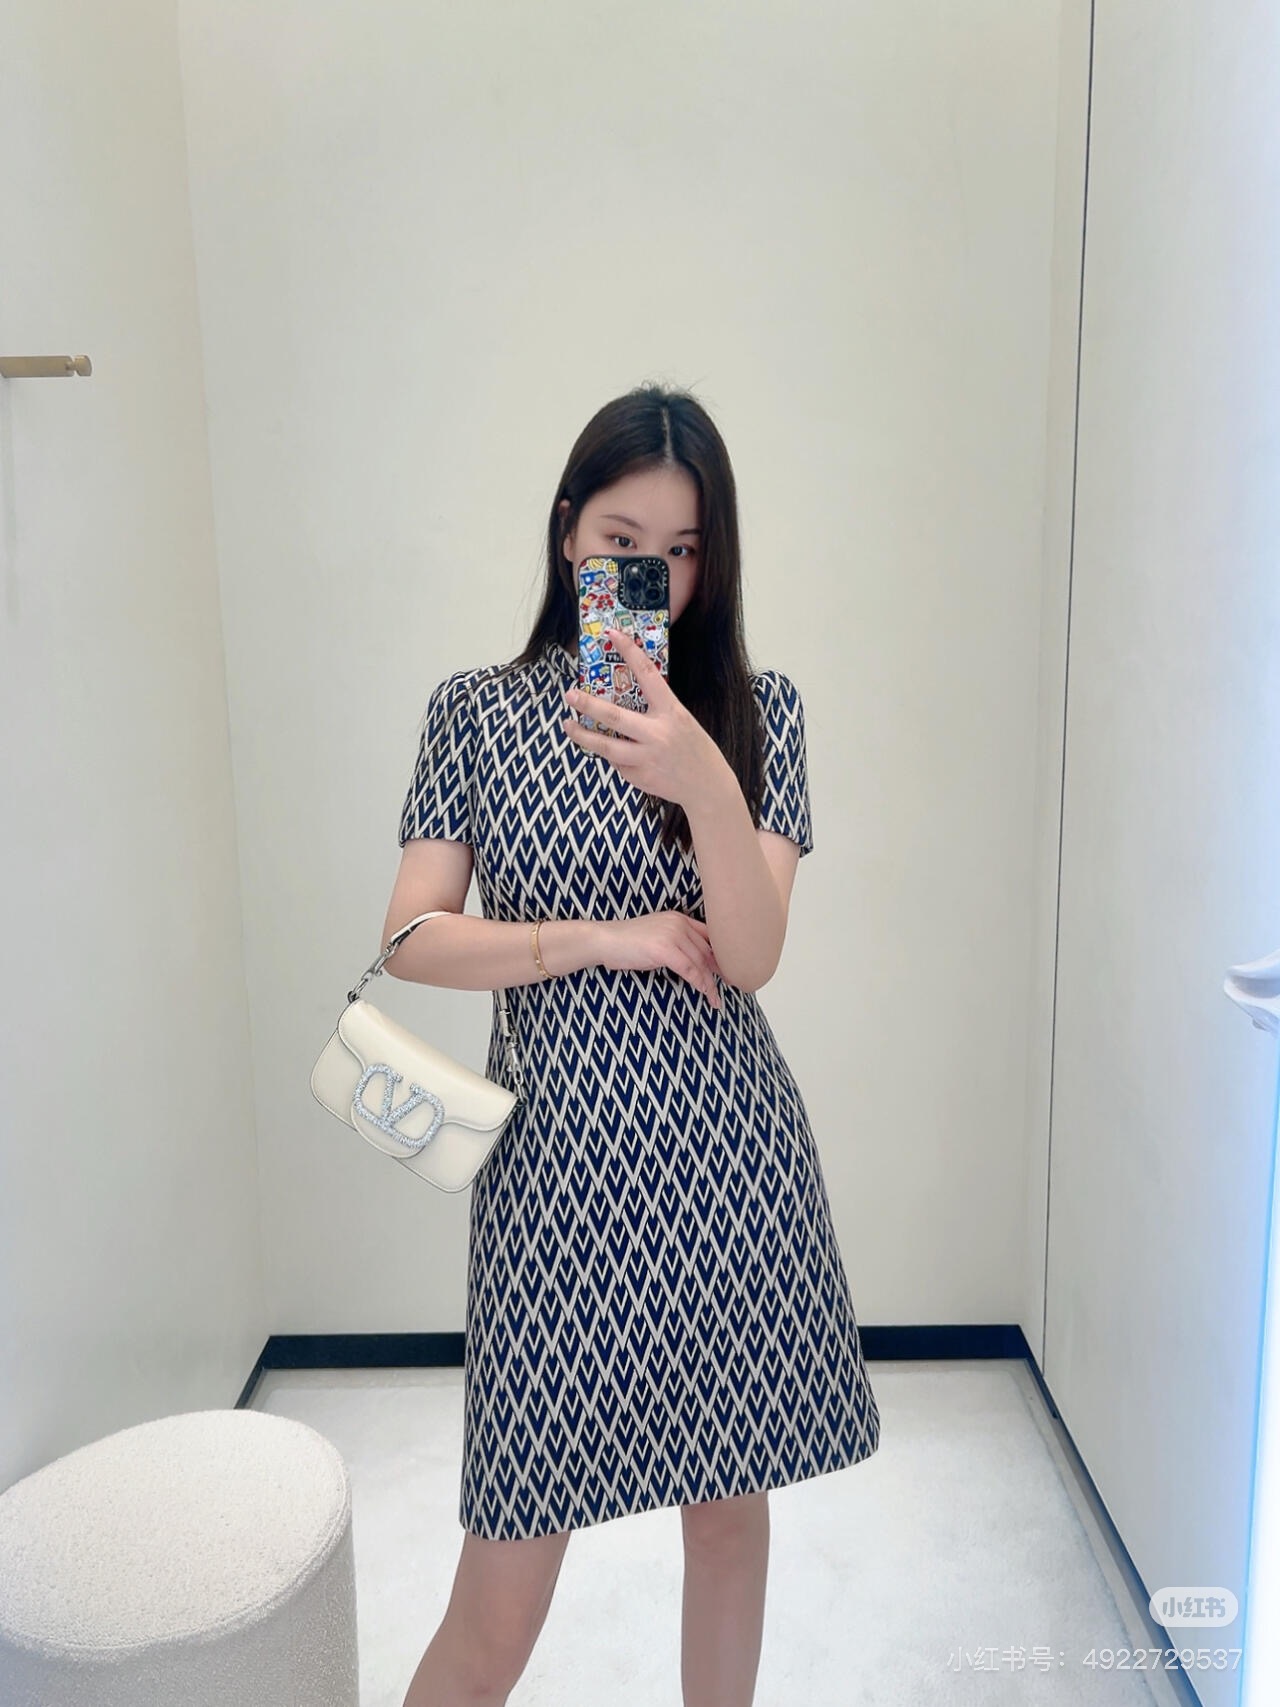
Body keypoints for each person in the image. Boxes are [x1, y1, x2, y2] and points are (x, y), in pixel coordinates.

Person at [384, 383, 880, 1707]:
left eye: (681, 551)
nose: (649, 575)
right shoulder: (475, 711)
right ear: (566, 535)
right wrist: (602, 939)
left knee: (726, 1519)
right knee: (500, 1588)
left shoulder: (758, 710)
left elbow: (753, 954)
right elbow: (413, 938)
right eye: (620, 542)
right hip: (552, 1174)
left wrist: (703, 775)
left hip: (725, 1159)